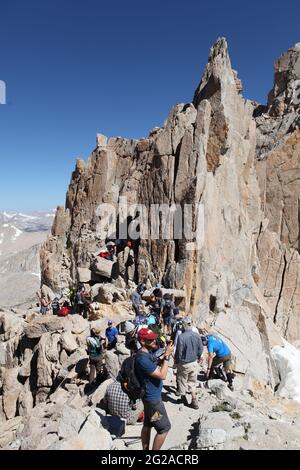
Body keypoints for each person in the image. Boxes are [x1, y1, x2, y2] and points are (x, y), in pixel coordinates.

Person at [135, 327, 173, 451]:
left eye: (154, 339)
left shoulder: (146, 354)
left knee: (148, 424)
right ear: (142, 341)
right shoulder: (142, 359)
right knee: (164, 428)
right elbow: (162, 375)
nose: (154, 341)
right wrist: (167, 357)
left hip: (149, 400)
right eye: (150, 340)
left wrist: (163, 358)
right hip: (153, 401)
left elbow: (154, 367)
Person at [174, 317, 203, 409]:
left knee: (182, 380)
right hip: (194, 362)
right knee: (192, 382)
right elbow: (201, 349)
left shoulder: (181, 337)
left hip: (184, 363)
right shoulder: (197, 335)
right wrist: (198, 357)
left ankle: (183, 398)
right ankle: (194, 401)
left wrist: (177, 362)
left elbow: (179, 351)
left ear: (184, 325)